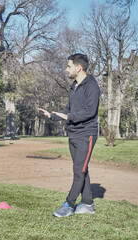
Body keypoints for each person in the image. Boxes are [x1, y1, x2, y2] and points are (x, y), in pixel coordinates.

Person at [38, 53, 100, 218]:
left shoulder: (92, 86)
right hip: (74, 133)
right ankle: (87, 203)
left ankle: (69, 204)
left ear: (78, 68)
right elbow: (68, 110)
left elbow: (90, 111)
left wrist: (69, 117)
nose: (66, 69)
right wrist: (52, 115)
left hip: (87, 134)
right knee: (81, 170)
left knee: (79, 171)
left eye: (68, 66)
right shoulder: (74, 86)